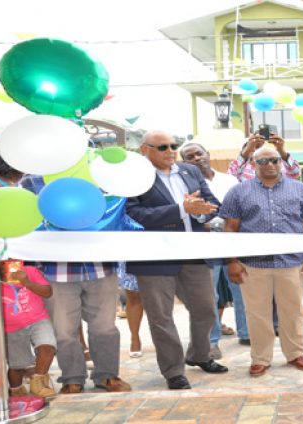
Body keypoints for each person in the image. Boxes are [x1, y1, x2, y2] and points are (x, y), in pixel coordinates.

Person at [127, 131, 228, 390]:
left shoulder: (189, 171)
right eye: (162, 147)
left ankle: (199, 355)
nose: (170, 150)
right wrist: (182, 209)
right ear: (145, 149)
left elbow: (211, 202)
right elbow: (134, 213)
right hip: (154, 257)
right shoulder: (134, 175)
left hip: (194, 252)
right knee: (162, 317)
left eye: (174, 145)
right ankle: (173, 371)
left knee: (206, 308)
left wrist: (205, 215)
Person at [20, 177, 132, 394]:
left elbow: (114, 213)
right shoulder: (32, 183)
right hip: (55, 270)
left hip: (100, 267)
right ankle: (72, 379)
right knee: (63, 331)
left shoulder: (98, 175)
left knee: (105, 328)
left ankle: (107, 376)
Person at [222, 146, 303, 377]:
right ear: (253, 164)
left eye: (274, 160)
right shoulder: (238, 192)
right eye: (263, 161)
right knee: (257, 314)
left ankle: (296, 353)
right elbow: (230, 228)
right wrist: (232, 262)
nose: (269, 165)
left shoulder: (301, 189)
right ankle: (260, 358)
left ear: (281, 162)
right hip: (253, 265)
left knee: (293, 311)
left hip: (291, 263)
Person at [180, 142, 249, 359]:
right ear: (185, 162)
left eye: (199, 153)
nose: (197, 158)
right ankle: (211, 342)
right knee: (210, 295)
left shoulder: (229, 180)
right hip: (205, 242)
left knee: (240, 286)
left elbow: (241, 207)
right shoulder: (183, 184)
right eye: (190, 157)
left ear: (207, 154)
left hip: (232, 240)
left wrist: (225, 225)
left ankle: (247, 333)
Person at [0, 261, 56, 398]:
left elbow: (48, 292)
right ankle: (16, 390)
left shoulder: (30, 271)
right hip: (11, 327)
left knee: (48, 347)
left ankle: (39, 384)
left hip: (38, 319)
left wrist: (27, 282)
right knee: (17, 366)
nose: (10, 262)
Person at [228, 131, 300, 182]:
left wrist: (281, 150)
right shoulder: (242, 169)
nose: (255, 150)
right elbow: (230, 176)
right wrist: (247, 150)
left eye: (259, 147)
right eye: (252, 146)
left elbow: (295, 173)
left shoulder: (277, 167)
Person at [116, 262, 143, 358]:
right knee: (133, 294)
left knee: (157, 298)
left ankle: (163, 341)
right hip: (128, 252)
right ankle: (135, 338)